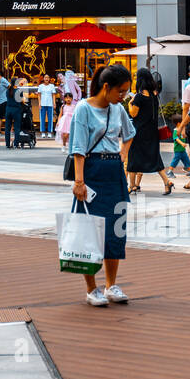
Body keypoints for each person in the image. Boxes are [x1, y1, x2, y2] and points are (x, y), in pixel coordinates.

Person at [70, 63, 136, 306]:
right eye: (121, 91)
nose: (123, 96)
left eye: (126, 92)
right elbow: (77, 147)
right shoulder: (83, 109)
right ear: (106, 87)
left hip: (114, 172)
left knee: (115, 231)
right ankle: (91, 288)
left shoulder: (118, 110)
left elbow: (130, 134)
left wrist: (122, 154)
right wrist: (79, 181)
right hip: (91, 171)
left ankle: (111, 285)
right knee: (89, 231)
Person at [126, 70, 173, 195]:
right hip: (152, 132)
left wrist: (130, 103)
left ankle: (131, 186)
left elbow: (133, 113)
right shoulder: (154, 96)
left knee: (133, 157)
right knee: (155, 158)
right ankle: (167, 182)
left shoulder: (139, 97)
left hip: (139, 132)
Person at [3, 70, 25, 149]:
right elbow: (22, 101)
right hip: (16, 110)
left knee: (7, 127)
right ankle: (16, 144)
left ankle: (7, 144)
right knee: (17, 127)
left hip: (8, 109)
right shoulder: (19, 91)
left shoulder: (8, 91)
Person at [36, 75, 58, 139]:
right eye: (45, 77)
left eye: (48, 77)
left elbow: (53, 95)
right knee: (42, 118)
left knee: (50, 119)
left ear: (49, 79)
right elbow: (39, 95)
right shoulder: (40, 86)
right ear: (43, 79)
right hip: (42, 104)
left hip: (50, 104)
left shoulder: (52, 86)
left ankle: (49, 132)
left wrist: (54, 103)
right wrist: (39, 103)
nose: (46, 79)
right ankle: (42, 132)